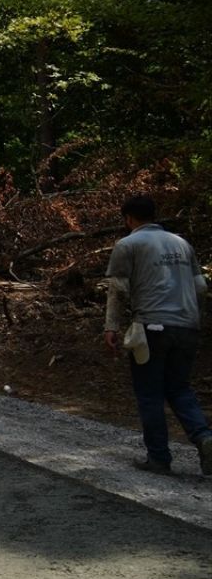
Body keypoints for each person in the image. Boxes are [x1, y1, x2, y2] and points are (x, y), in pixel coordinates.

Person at [103, 195, 211, 475]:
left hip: (151, 327)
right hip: (187, 326)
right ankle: (204, 437)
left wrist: (111, 327)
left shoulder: (128, 244)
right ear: (154, 215)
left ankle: (159, 457)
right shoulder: (182, 243)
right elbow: (200, 287)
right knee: (179, 387)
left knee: (149, 393)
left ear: (128, 219)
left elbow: (119, 289)